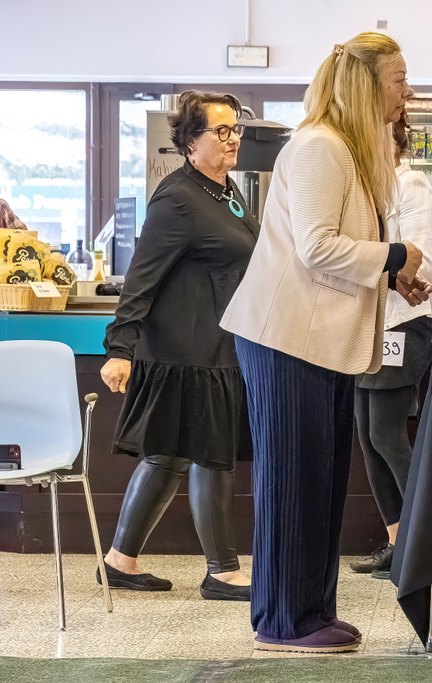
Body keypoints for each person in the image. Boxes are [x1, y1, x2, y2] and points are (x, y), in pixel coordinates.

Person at [220, 33, 430, 654]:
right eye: (399, 79)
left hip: (317, 342)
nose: (408, 91)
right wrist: (395, 254)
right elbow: (315, 247)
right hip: (287, 340)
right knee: (293, 481)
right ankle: (282, 622)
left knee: (320, 479)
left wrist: (391, 274)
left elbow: (335, 247)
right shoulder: (320, 147)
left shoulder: (347, 150)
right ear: (366, 84)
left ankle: (309, 610)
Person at [98, 91, 258, 601]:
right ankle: (222, 571)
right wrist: (120, 348)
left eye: (236, 129)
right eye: (221, 131)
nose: (233, 139)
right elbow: (140, 278)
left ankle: (120, 560)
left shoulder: (226, 192)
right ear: (191, 141)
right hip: (184, 352)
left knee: (169, 456)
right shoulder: (178, 198)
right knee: (210, 455)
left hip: (217, 346)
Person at [349, 110, 432, 576]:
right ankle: (397, 539)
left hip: (406, 321)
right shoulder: (372, 189)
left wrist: (380, 267)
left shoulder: (412, 185)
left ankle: (426, 540)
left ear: (394, 141)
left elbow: (417, 259)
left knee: (386, 432)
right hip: (372, 321)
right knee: (368, 435)